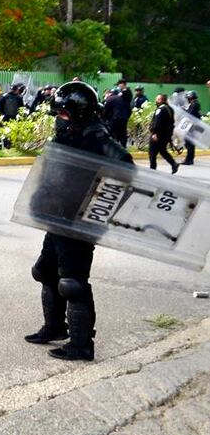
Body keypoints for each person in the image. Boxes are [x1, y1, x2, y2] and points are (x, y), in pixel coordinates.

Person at [24, 82, 133, 361]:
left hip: (78, 221)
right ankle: (55, 327)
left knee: (72, 282)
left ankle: (82, 344)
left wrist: (97, 207)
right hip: (59, 216)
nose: (59, 120)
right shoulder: (71, 132)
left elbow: (126, 167)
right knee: (45, 272)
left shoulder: (96, 135)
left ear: (79, 113)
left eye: (63, 114)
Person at [148, 93, 180, 174]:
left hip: (158, 135)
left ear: (161, 100)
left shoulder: (161, 109)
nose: (156, 101)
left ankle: (152, 169)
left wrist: (155, 133)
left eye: (157, 99)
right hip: (166, 135)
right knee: (162, 150)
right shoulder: (170, 109)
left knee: (152, 152)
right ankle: (173, 164)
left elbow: (157, 122)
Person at [182, 90, 201, 165]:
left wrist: (183, 110)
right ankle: (190, 159)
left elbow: (189, 115)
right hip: (193, 126)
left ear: (190, 97)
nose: (187, 99)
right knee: (190, 143)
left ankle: (189, 160)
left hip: (193, 127)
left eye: (188, 98)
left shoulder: (194, 104)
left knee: (189, 143)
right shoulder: (194, 104)